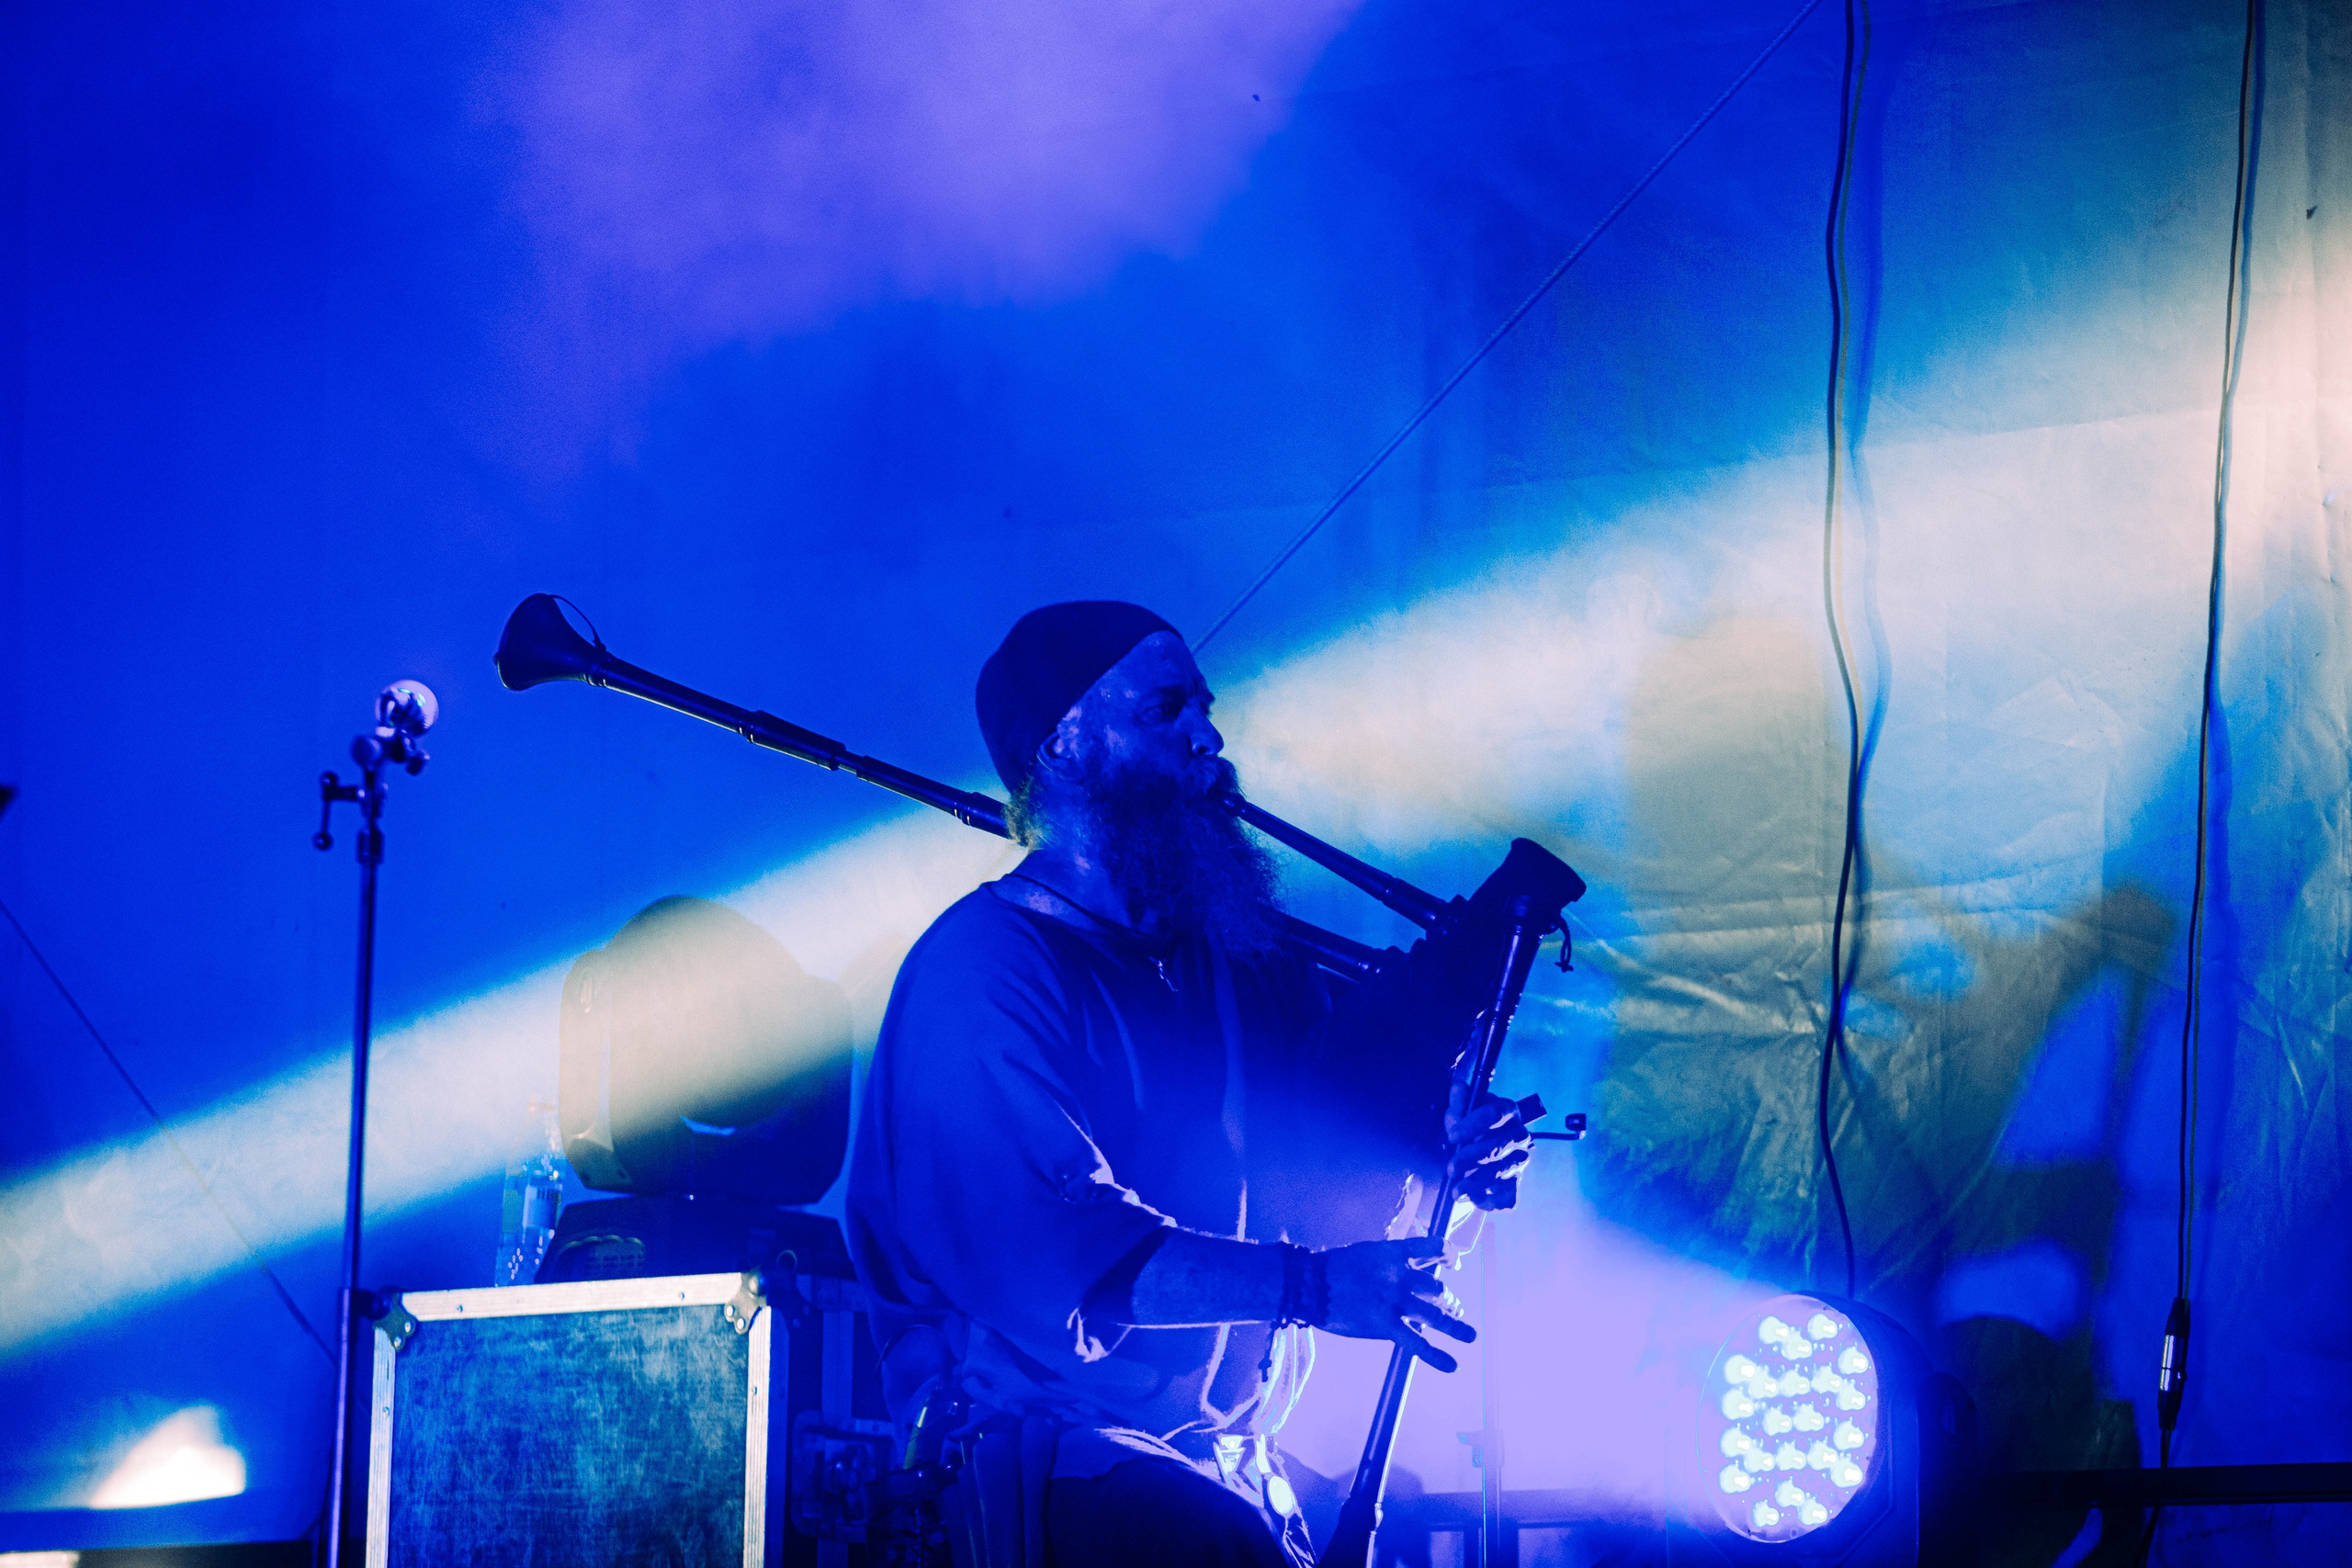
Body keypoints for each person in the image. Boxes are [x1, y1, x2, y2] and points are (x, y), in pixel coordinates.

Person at [846, 602, 1542, 1568]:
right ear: (1063, 745)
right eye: (1165, 709)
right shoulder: (982, 973)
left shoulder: (1239, 967)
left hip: (1224, 1470)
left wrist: (1443, 1164)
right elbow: (1058, 1249)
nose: (1208, 737)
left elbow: (1332, 1189)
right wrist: (1309, 1288)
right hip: (1048, 1469)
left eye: (1204, 708)